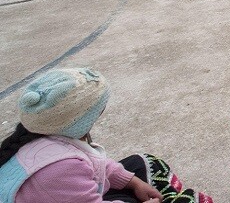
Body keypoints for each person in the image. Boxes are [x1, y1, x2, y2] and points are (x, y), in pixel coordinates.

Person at [0, 68, 211, 203]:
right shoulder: (59, 170)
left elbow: (97, 163)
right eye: (98, 109)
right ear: (78, 122)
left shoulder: (40, 135)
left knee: (142, 163)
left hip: (73, 194)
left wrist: (133, 183)